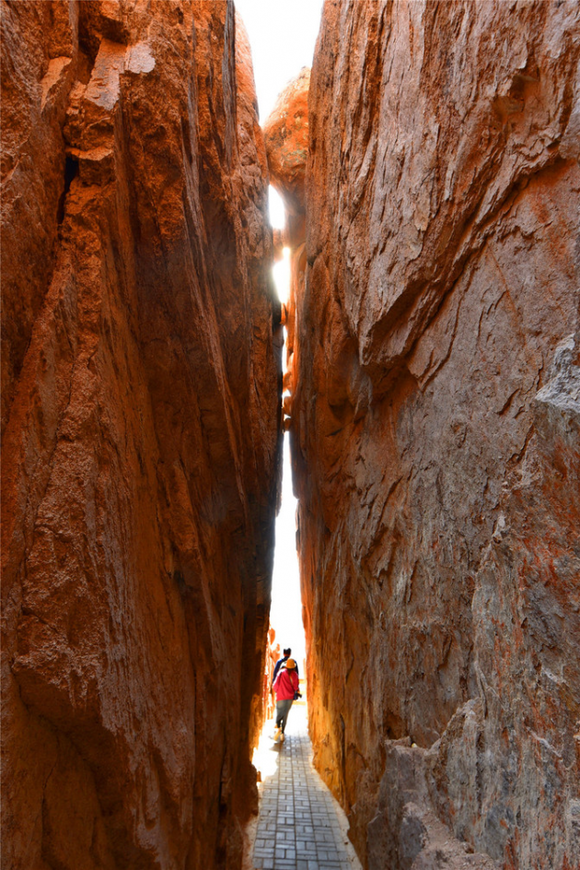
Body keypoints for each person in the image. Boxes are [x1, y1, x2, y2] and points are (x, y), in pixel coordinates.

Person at [272, 658, 299, 742]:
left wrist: (276, 690)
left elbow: (275, 685)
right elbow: (295, 686)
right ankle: (282, 732)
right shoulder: (294, 675)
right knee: (285, 714)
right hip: (289, 698)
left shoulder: (281, 673)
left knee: (279, 713)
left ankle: (278, 726)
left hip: (280, 696)